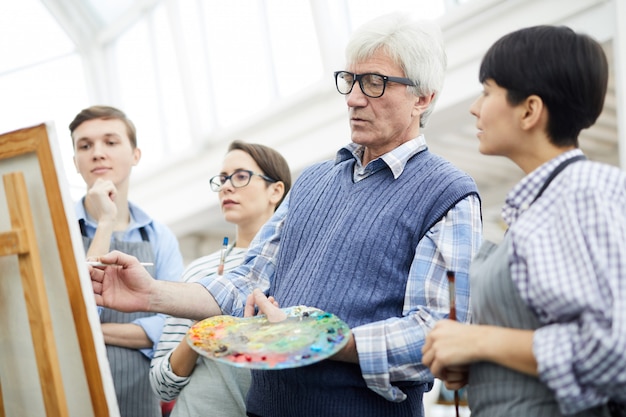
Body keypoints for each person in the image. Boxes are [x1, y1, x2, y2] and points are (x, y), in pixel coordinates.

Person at [89, 12, 483, 417]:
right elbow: (245, 282)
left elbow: (436, 334)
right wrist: (152, 293)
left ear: (424, 97)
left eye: (375, 82)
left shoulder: (448, 194)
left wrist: (317, 340)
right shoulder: (312, 182)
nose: (353, 98)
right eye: (350, 80)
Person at [421, 25, 626, 417]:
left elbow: (616, 347)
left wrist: (480, 342)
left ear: (530, 110)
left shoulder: (583, 190)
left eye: (487, 91)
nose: (474, 108)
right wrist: (479, 364)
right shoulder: (544, 202)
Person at [149, 140, 291, 417]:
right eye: (223, 179)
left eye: (240, 176)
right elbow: (161, 385)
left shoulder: (298, 264)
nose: (226, 186)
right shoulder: (198, 272)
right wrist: (202, 329)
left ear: (275, 190)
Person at [70, 105, 184, 417]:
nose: (97, 153)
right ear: (76, 162)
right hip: (69, 391)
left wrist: (89, 329)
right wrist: (105, 223)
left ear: (135, 155)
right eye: (85, 145)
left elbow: (170, 327)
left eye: (110, 141)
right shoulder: (57, 228)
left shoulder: (159, 237)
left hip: (140, 398)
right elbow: (76, 310)